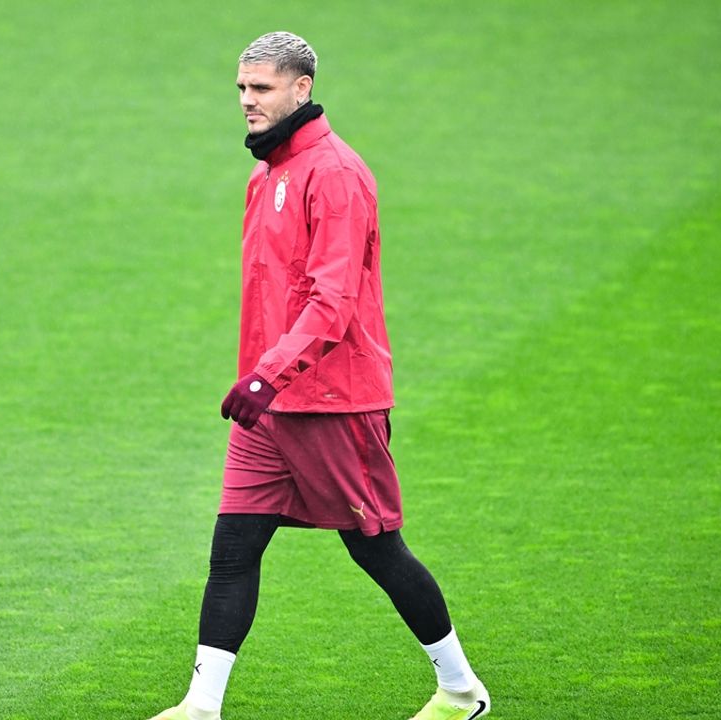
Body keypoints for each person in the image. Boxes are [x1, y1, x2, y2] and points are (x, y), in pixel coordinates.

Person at [149, 32, 491, 720]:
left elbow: (332, 300)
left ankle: (461, 689)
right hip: (270, 406)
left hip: (334, 401)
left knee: (376, 549)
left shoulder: (335, 175)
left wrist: (267, 376)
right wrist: (261, 381)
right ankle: (201, 707)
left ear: (301, 88)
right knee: (233, 550)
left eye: (261, 88)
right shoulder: (264, 176)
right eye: (241, 88)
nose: (246, 101)